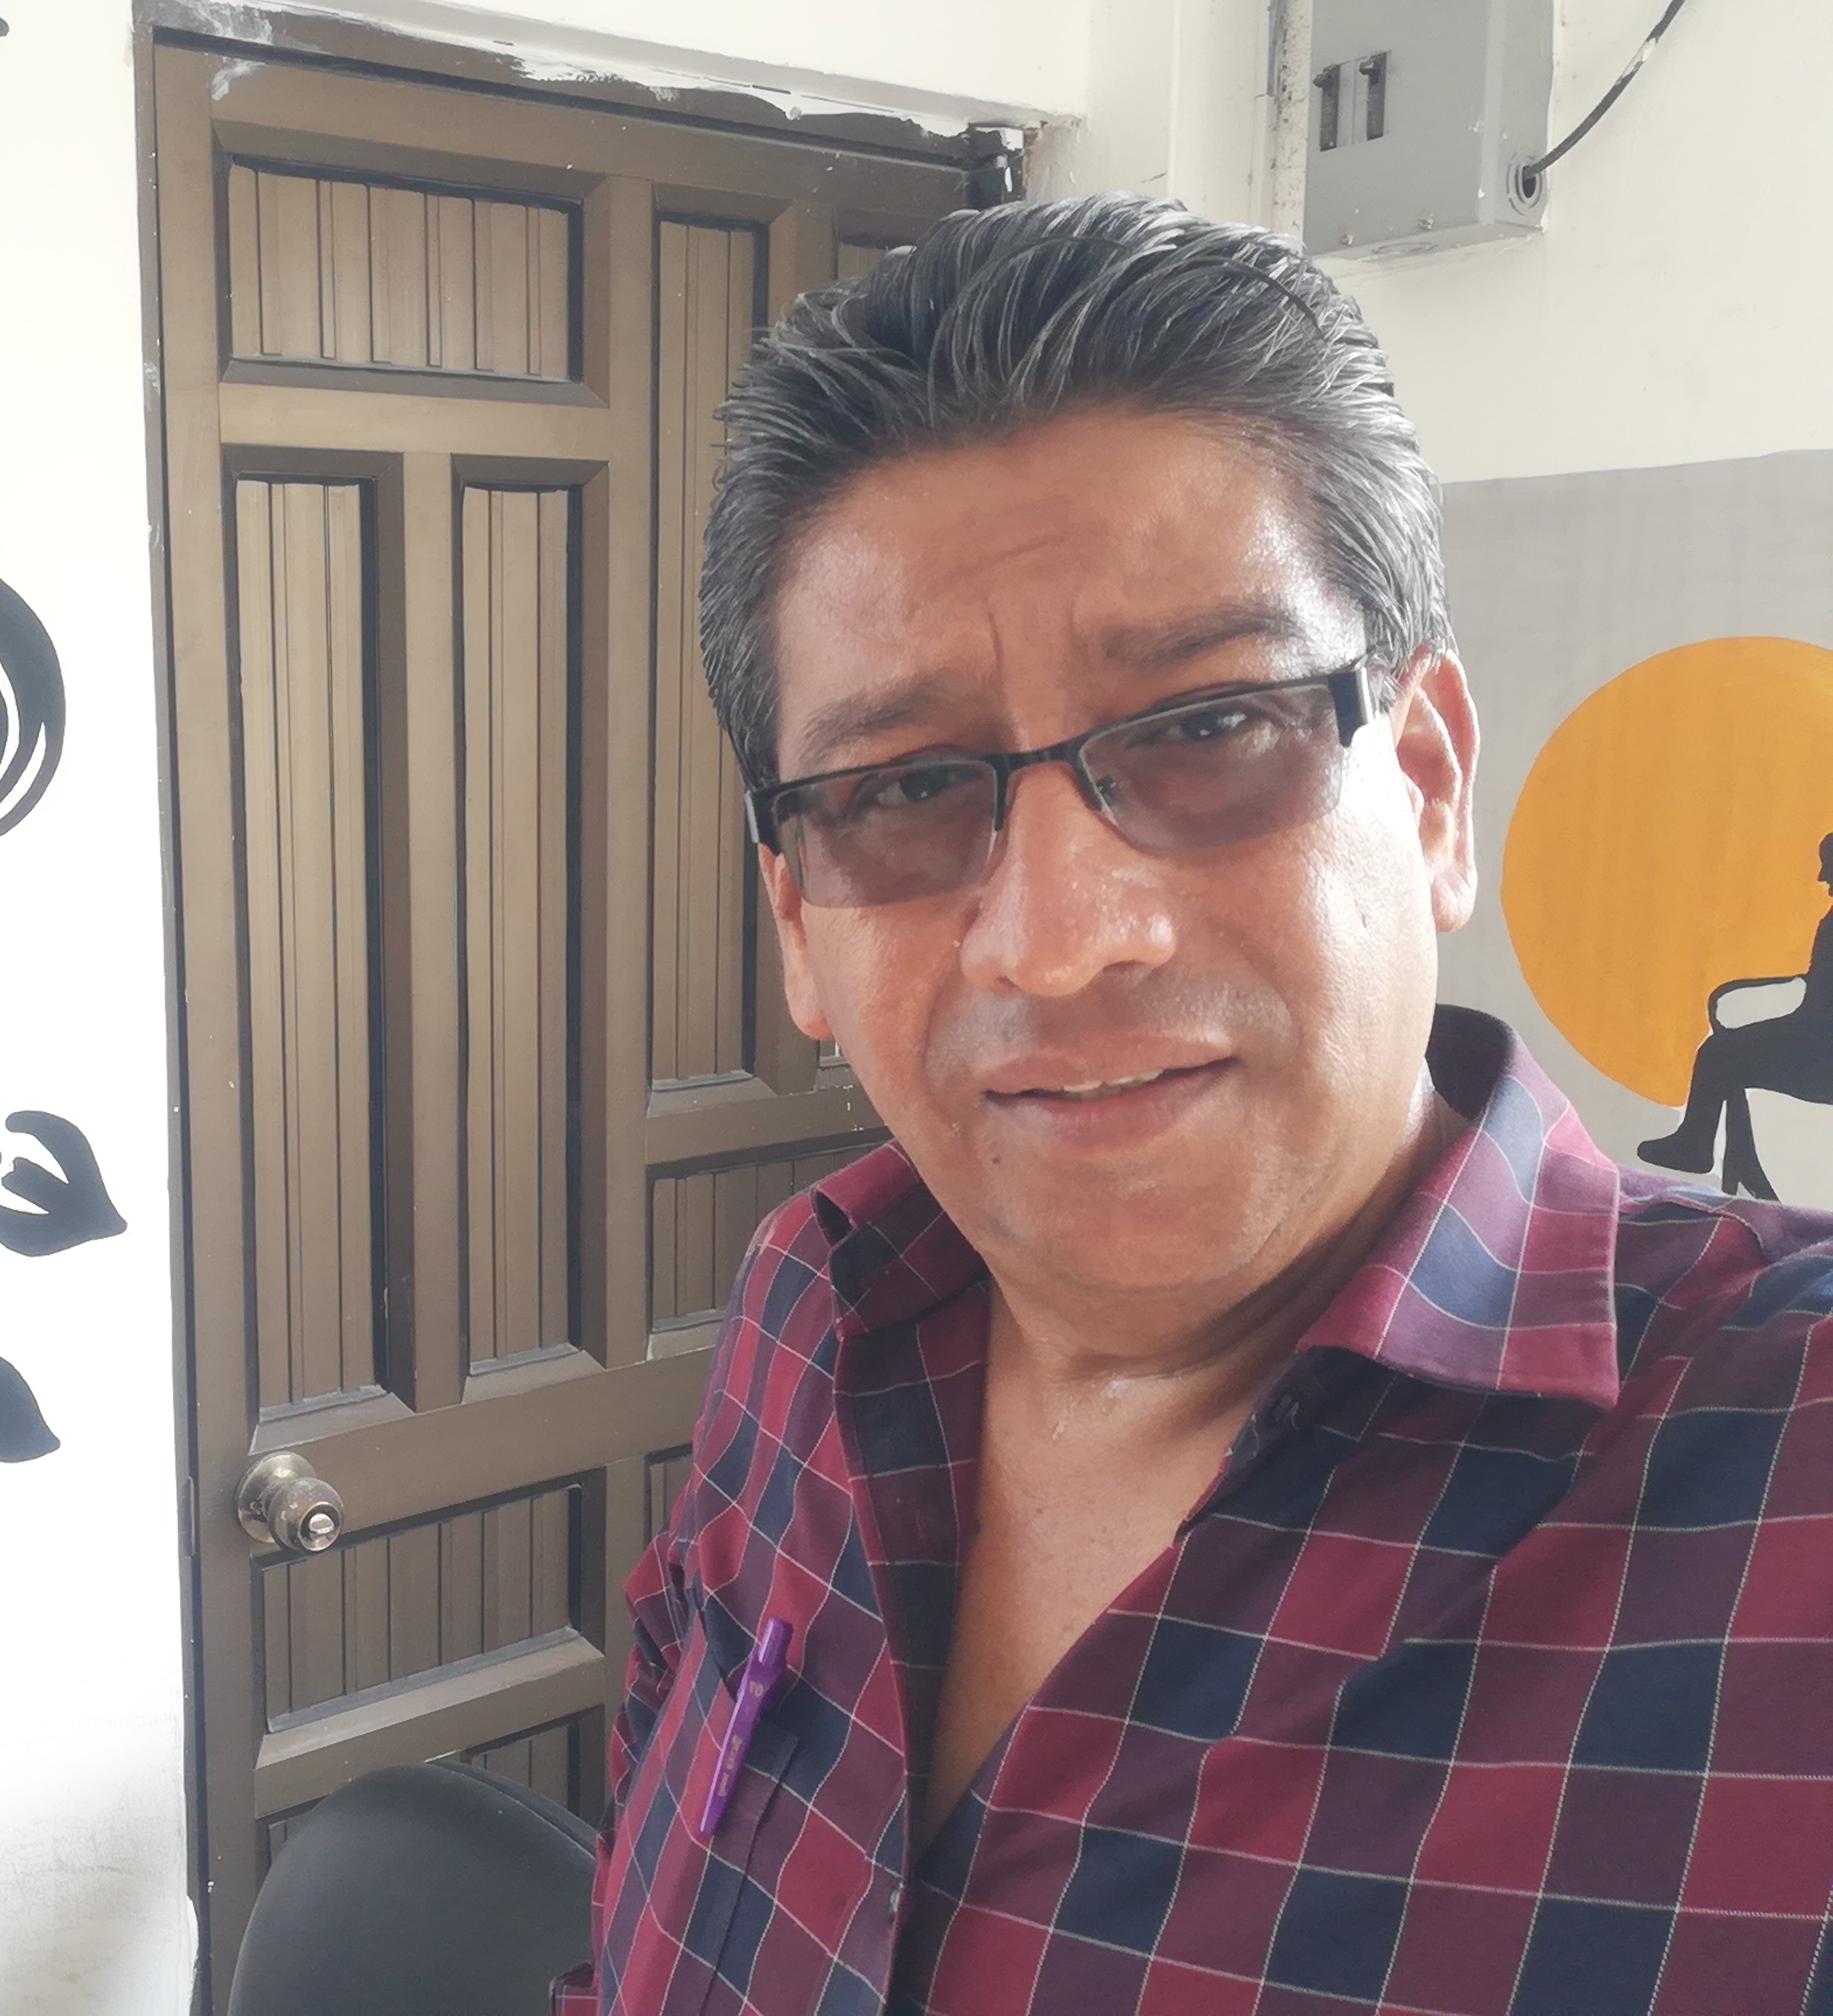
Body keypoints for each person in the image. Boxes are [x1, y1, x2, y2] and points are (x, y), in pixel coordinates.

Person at [558, 192, 1833, 2016]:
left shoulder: (1785, 1473)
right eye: (906, 789)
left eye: (1211, 726)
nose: (1064, 936)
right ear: (798, 925)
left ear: (1430, 787)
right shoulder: (813, 1309)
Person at [1638, 832, 1833, 1195]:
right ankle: (1714, 1157)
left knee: (1721, 1054)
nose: (1822, 876)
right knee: (1727, 1052)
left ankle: (1695, 1148)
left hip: (1823, 1054)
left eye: (1829, 865)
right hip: (1813, 1034)